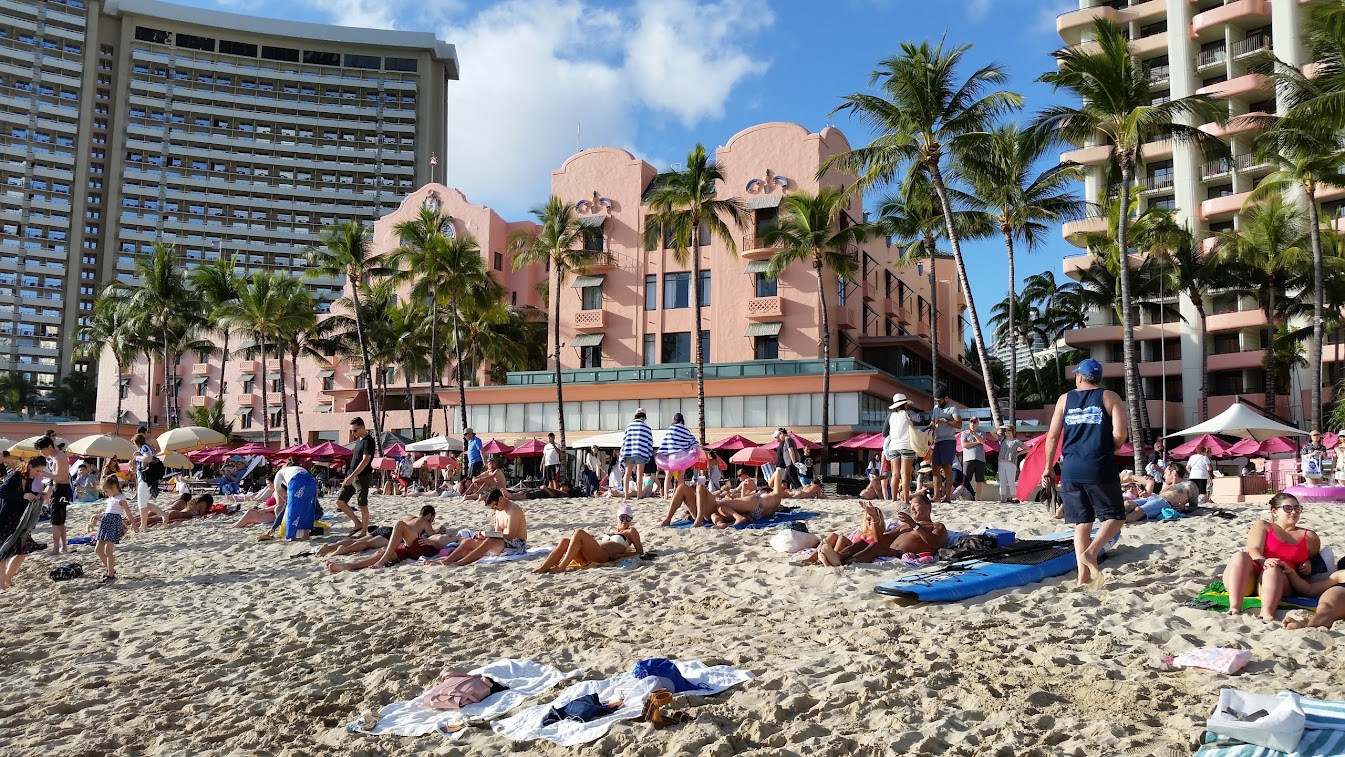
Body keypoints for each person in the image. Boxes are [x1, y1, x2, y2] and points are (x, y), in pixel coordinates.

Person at [1041, 357, 1127, 590]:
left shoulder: (1064, 399)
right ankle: (1092, 552)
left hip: (1070, 468)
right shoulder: (1110, 397)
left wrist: (1049, 467)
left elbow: (1052, 436)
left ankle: (1082, 578)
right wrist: (1108, 445)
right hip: (1099, 465)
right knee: (1116, 516)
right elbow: (1120, 434)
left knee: (1082, 522)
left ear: (1079, 377)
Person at [1220, 492, 1319, 622]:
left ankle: (1266, 613)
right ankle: (1234, 607)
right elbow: (1254, 549)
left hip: (1280, 580)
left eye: (1297, 508)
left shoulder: (1309, 537)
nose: (1293, 512)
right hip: (1250, 577)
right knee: (1240, 556)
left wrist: (1308, 562)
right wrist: (1263, 561)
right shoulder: (1264, 526)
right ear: (1275, 511)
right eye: (1288, 508)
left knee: (1274, 568)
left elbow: (1313, 556)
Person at [814, 495, 948, 566]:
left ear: (929, 508)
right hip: (889, 551)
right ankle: (839, 557)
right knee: (863, 543)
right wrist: (874, 519)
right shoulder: (905, 526)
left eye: (916, 505)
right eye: (911, 505)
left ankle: (845, 563)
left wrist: (916, 526)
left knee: (876, 547)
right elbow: (882, 539)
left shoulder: (937, 526)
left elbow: (934, 543)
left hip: (902, 554)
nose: (912, 509)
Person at [325, 506, 450, 573]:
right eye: (432, 518)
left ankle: (339, 549)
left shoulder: (412, 519)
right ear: (429, 515)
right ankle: (349, 566)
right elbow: (433, 535)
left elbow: (441, 546)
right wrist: (436, 535)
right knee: (379, 551)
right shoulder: (424, 521)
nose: (432, 521)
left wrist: (431, 541)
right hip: (411, 546)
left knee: (366, 542)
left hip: (417, 546)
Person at [534, 504, 644, 573]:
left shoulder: (631, 531)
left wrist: (622, 555)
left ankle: (561, 567)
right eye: (622, 517)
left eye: (628, 518)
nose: (625, 520)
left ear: (631, 520)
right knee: (565, 541)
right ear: (617, 519)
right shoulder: (611, 531)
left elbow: (640, 552)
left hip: (604, 555)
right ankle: (544, 567)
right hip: (592, 554)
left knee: (579, 533)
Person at [436, 489, 529, 566]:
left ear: (501, 498)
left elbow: (510, 535)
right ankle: (447, 560)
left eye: (495, 506)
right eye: (493, 508)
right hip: (504, 543)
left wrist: (488, 536)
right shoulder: (499, 511)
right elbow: (497, 533)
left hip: (518, 545)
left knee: (489, 541)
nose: (495, 508)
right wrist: (484, 535)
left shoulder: (513, 510)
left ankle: (460, 563)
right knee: (467, 541)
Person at [0, 457, 49, 590]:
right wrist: (22, 496)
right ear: (30, 466)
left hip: (21, 519)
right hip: (7, 519)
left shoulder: (29, 479)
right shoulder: (14, 477)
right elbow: (2, 492)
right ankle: (1, 585)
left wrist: (37, 494)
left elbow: (25, 493)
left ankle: (8, 578)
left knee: (24, 550)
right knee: (3, 552)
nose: (39, 474)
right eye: (38, 471)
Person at [260, 460, 320, 541]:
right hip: (311, 480)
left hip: (297, 481)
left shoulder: (280, 472)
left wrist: (285, 498)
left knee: (292, 511)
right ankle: (306, 535)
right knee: (308, 508)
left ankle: (292, 536)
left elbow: (277, 488)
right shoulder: (297, 469)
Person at [336, 417, 376, 536]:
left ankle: (363, 531)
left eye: (355, 430)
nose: (353, 433)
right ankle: (357, 523)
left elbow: (365, 461)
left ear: (362, 427)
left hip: (362, 476)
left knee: (362, 504)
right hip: (352, 475)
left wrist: (352, 476)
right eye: (352, 431)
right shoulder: (359, 440)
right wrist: (349, 475)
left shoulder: (369, 441)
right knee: (340, 501)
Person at [94, 475, 137, 583]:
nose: (106, 493)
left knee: (108, 551)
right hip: (105, 523)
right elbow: (108, 512)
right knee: (98, 550)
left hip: (113, 523)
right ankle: (110, 569)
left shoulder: (121, 499)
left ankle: (111, 575)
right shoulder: (111, 498)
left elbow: (128, 512)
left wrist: (134, 524)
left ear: (113, 487)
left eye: (106, 491)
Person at [1283, 557, 1345, 629]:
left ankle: (1309, 627)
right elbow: (1309, 589)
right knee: (1327, 610)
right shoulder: (1340, 574)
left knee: (1327, 609)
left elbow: (1309, 589)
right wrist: (1292, 573)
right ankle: (1310, 628)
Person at [1125, 462, 1200, 522]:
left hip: (1164, 502)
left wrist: (1184, 508)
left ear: (1173, 473)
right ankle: (1114, 516)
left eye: (1166, 473)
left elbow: (1194, 506)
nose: (1164, 475)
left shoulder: (1189, 485)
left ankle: (1117, 522)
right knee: (1127, 503)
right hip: (1153, 498)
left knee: (1138, 510)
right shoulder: (1166, 485)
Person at [36, 436, 71, 555]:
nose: (41, 452)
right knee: (60, 521)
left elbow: (59, 477)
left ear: (50, 446)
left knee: (56, 521)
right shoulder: (56, 457)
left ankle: (56, 549)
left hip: (61, 488)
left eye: (42, 449)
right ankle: (64, 547)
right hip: (61, 489)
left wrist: (44, 474)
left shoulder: (59, 457)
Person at [882, 393, 918, 504]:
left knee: (895, 474)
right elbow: (920, 418)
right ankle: (906, 500)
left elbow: (884, 433)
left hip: (893, 446)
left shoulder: (890, 416)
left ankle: (893, 499)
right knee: (905, 474)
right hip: (906, 445)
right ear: (905, 404)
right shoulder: (908, 413)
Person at [928, 388, 962, 504]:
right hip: (937, 441)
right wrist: (931, 425)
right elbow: (933, 422)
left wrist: (946, 421)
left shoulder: (953, 408)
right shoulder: (936, 408)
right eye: (936, 400)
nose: (938, 403)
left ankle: (947, 496)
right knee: (935, 468)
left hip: (948, 440)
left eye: (939, 400)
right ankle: (937, 496)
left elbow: (959, 424)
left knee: (947, 467)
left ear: (946, 398)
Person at [658, 412, 699, 497]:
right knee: (680, 477)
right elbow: (694, 442)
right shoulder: (686, 430)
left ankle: (665, 496)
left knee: (668, 476)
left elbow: (666, 443)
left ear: (674, 420)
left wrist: (661, 452)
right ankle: (680, 496)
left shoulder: (671, 429)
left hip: (673, 455)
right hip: (683, 456)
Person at [132, 433, 167, 530]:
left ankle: (144, 525)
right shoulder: (148, 448)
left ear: (136, 443)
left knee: (142, 503)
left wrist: (137, 457)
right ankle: (164, 514)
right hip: (147, 478)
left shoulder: (144, 448)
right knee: (144, 503)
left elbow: (148, 458)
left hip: (145, 478)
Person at [620, 408, 653, 500]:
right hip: (641, 452)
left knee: (627, 474)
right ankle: (639, 495)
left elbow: (624, 441)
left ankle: (626, 495)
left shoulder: (629, 426)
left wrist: (622, 454)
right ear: (644, 417)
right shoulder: (646, 428)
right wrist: (649, 454)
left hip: (629, 451)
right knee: (639, 474)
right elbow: (650, 443)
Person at [960, 417, 987, 501]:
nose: (973, 423)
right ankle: (966, 497)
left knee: (979, 480)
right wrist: (976, 442)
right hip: (968, 459)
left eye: (975, 422)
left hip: (980, 459)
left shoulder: (982, 432)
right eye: (971, 421)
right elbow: (964, 445)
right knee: (966, 479)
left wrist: (974, 434)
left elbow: (982, 441)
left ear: (978, 423)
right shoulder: (964, 433)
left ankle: (978, 498)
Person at [996, 425, 1024, 503]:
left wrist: (1018, 454)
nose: (1006, 432)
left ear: (1012, 431)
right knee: (1002, 481)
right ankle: (1002, 498)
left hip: (1011, 462)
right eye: (1005, 431)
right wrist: (1000, 427)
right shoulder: (1002, 439)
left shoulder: (1016, 441)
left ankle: (1014, 497)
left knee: (1011, 481)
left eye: (1008, 430)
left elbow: (1027, 448)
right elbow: (992, 432)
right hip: (1001, 461)